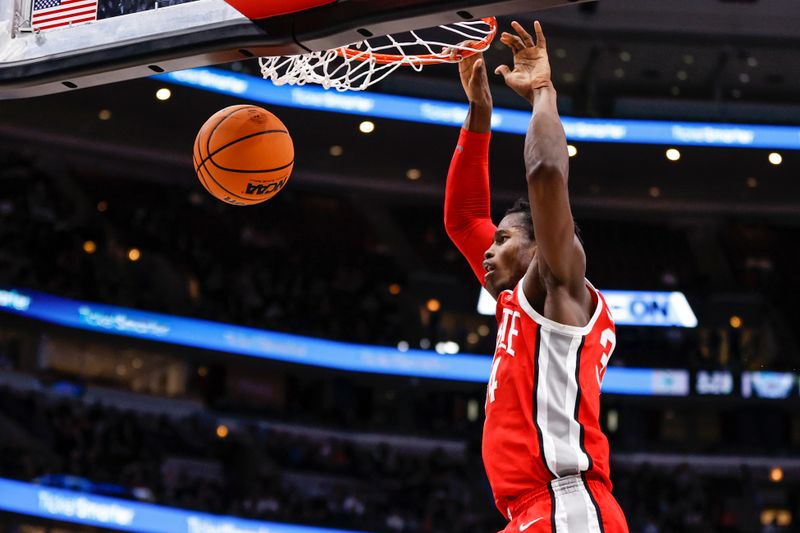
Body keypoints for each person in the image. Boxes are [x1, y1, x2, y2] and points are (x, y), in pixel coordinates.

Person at [444, 21, 629, 532]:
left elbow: (546, 174)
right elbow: (461, 219)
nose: (488, 250)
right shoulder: (521, 300)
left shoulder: (559, 288)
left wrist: (543, 92)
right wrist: (479, 116)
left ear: (536, 250)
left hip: (565, 502)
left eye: (503, 239)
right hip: (533, 510)